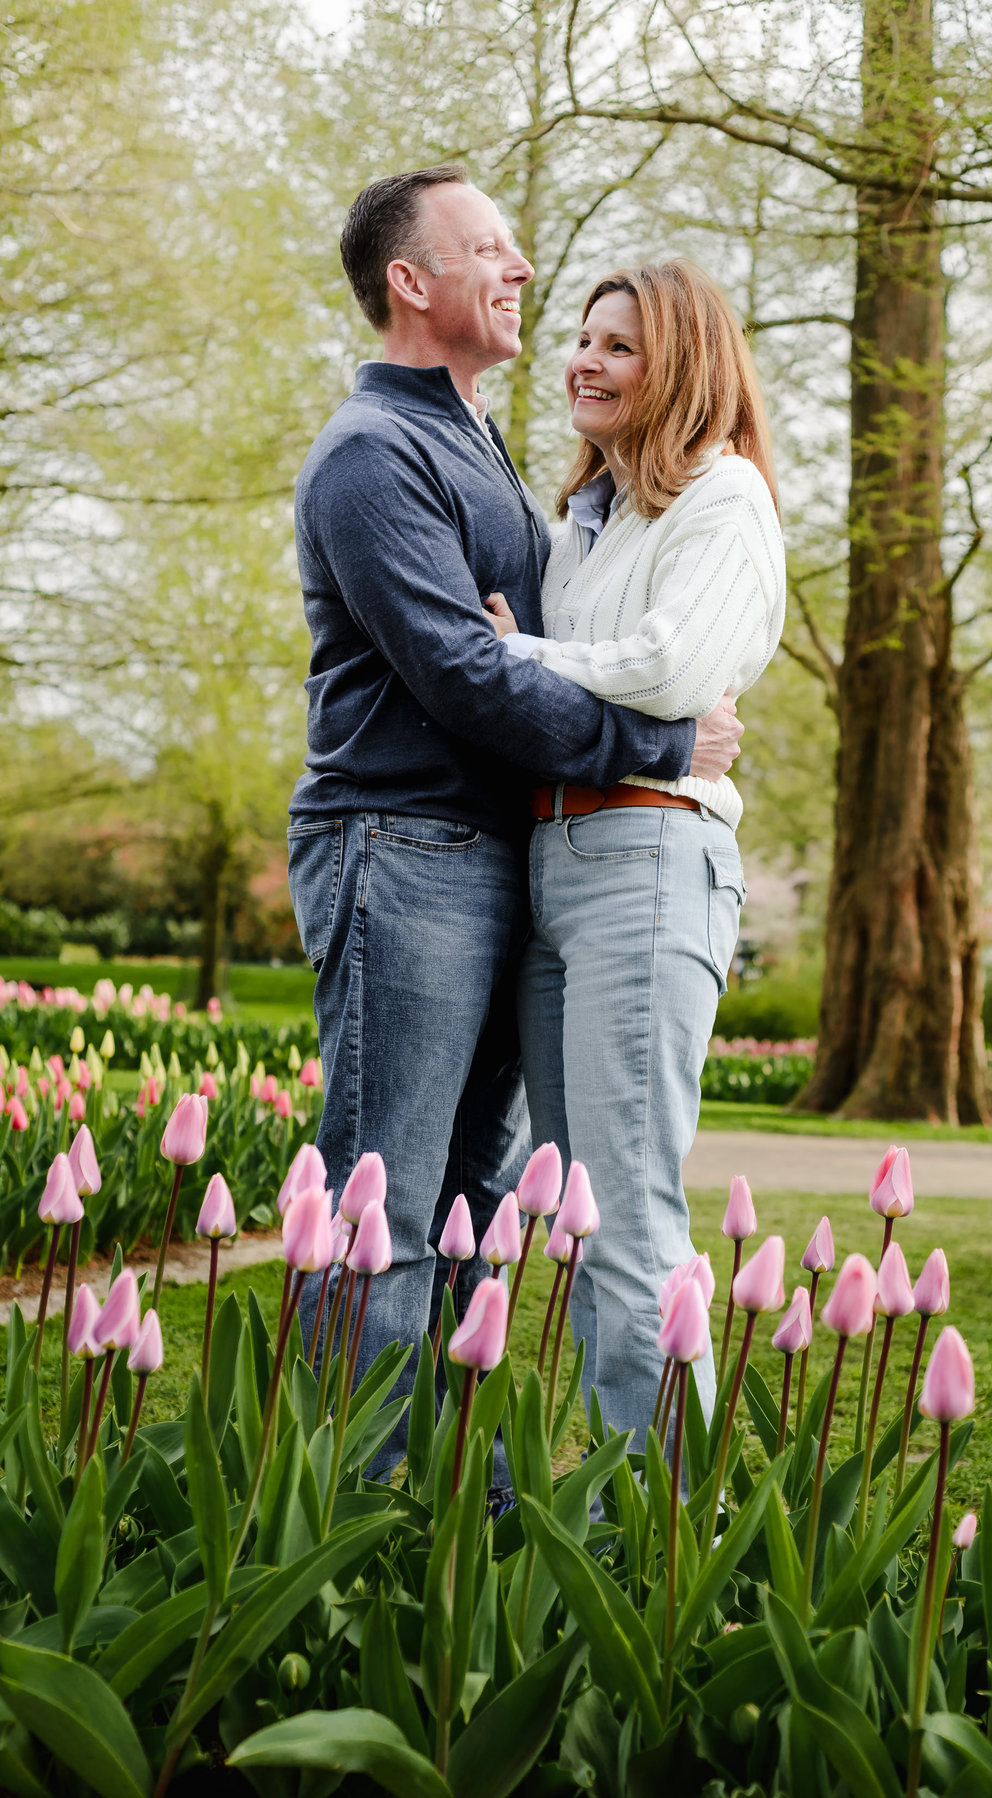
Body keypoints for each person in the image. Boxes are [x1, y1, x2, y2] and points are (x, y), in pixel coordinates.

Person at [286, 168, 743, 1476]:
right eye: (488, 246)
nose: (522, 266)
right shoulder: (374, 453)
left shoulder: (474, 438)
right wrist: (663, 740)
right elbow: (462, 671)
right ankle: (335, 1519)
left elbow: (529, 649)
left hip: (495, 859)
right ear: (410, 284)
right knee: (384, 1205)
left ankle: (437, 1503)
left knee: (477, 1205)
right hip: (402, 844)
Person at [486, 261, 786, 1444]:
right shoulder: (586, 520)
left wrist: (523, 656)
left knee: (626, 1213)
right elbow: (577, 691)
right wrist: (530, 660)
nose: (584, 361)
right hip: (557, 861)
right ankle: (619, 1511)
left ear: (683, 366)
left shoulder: (726, 500)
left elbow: (666, 673)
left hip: (651, 862)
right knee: (567, 1206)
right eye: (582, 338)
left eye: (619, 345)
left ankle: (673, 1527)